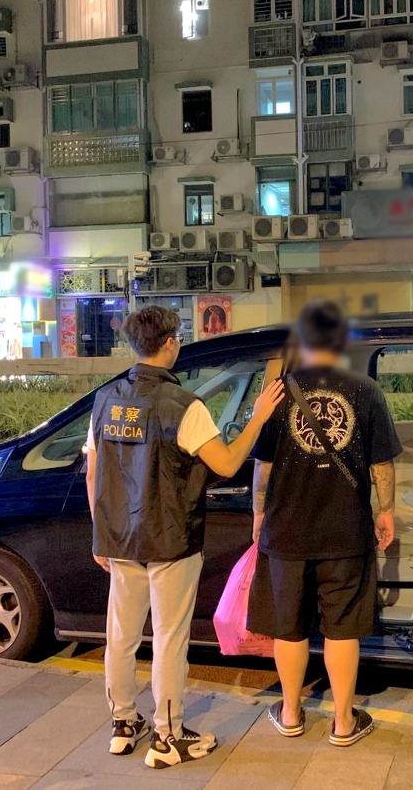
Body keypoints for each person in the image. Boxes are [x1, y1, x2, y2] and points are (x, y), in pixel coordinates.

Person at [85, 305, 284, 769]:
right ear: (171, 343)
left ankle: (123, 724)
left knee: (121, 636)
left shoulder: (105, 399)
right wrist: (257, 417)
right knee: (169, 638)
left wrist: (101, 535)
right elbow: (227, 464)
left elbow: (94, 472)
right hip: (171, 541)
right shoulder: (183, 406)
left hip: (120, 540)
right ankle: (168, 736)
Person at [248, 299, 401, 747]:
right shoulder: (366, 390)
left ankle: (290, 713)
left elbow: (263, 466)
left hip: (287, 531)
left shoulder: (277, 392)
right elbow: (382, 463)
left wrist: (258, 513)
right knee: (342, 628)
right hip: (345, 531)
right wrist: (385, 511)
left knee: (289, 626)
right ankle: (344, 722)